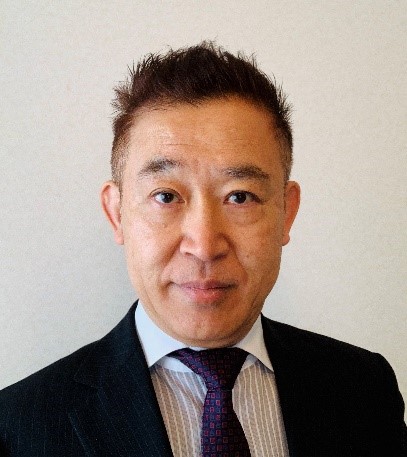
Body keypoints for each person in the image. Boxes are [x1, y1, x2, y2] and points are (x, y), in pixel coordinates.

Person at [0, 42, 406, 457]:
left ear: (287, 212)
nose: (204, 246)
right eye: (165, 196)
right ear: (117, 213)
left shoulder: (363, 387)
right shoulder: (19, 426)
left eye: (240, 196)